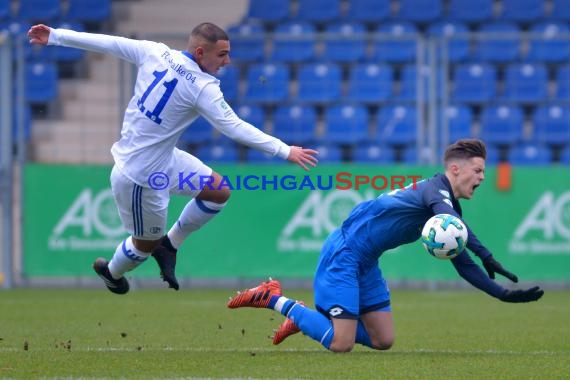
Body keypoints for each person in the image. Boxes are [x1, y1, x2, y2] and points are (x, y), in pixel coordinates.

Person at [27, 23, 318, 294]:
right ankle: (112, 273)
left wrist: (55, 35)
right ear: (200, 52)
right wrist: (285, 150)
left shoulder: (155, 51)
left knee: (218, 191)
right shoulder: (202, 87)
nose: (227, 62)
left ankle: (170, 244)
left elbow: (109, 43)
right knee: (144, 245)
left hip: (165, 160)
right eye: (223, 55)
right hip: (140, 176)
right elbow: (233, 126)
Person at [227, 139, 544, 352]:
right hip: (345, 253)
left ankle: (313, 320)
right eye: (478, 170)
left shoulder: (443, 208)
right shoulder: (435, 192)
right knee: (341, 343)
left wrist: (502, 294)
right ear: (455, 169)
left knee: (383, 340)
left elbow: (464, 266)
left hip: (367, 262)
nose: (483, 177)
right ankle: (277, 300)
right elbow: (458, 229)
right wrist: (487, 254)